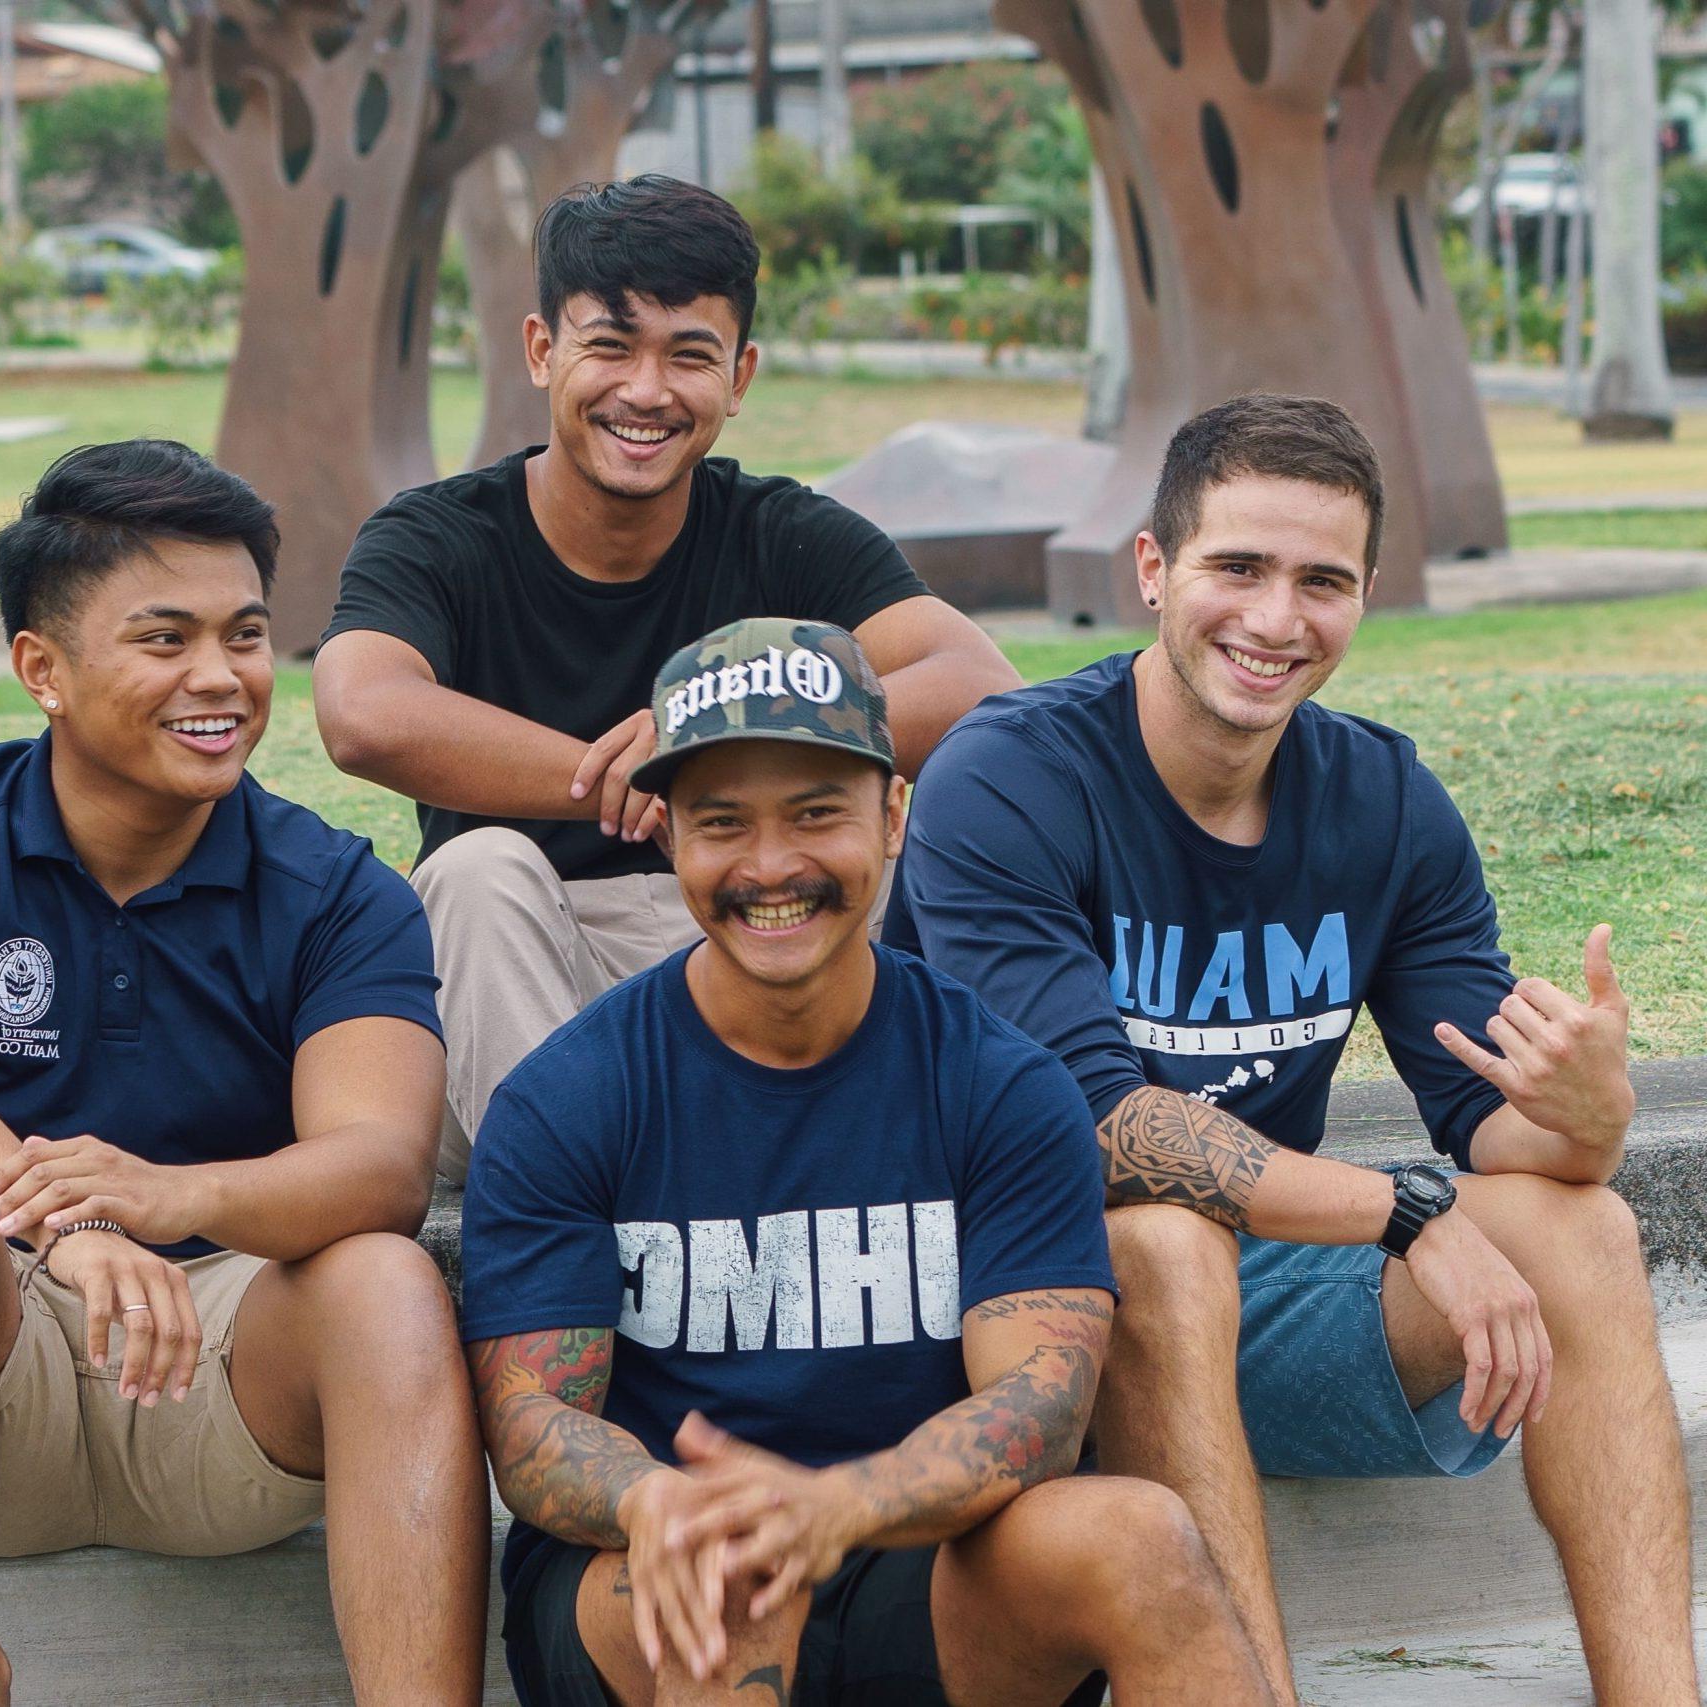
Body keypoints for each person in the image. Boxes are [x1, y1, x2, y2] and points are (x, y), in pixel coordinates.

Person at [886, 395, 1697, 1705]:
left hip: (1242, 1297)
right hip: (1004, 1311)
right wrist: (1406, 1210)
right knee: (1159, 1230)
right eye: (1239, 567)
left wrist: (1587, 1113)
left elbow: (1487, 1122)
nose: (1276, 618)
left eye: (1321, 580)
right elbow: (1094, 1124)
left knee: (1584, 1228)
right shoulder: (1010, 775)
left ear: (1366, 595)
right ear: (1153, 569)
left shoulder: (1384, 798)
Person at [0, 439, 489, 1707]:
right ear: (41, 668)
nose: (219, 678)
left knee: (383, 1280)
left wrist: (172, 1198)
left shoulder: (337, 892)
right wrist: (69, 1219)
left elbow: (377, 1168)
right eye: (164, 640)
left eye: (247, 635)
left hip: (225, 1379)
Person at [462, 616, 1273, 1707]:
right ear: (668, 839)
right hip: (646, 1575)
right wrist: (662, 1504)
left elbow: (1040, 1407)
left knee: (1141, 1535)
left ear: (893, 816)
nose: (770, 866)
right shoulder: (571, 1095)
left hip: (924, 1555)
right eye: (721, 824)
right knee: (728, 1578)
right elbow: (531, 1426)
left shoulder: (998, 1080)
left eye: (814, 814)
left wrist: (836, 1505)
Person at [312, 174, 1020, 1183]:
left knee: (915, 832)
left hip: (747, 932)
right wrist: (624, 775)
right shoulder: (438, 535)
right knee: (473, 875)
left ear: (739, 377)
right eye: (609, 346)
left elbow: (979, 686)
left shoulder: (783, 531)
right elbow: (361, 713)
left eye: (689, 355)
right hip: (526, 984)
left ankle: (916, 1138)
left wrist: (713, 737)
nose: (646, 391)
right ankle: (568, 1198)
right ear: (539, 350)